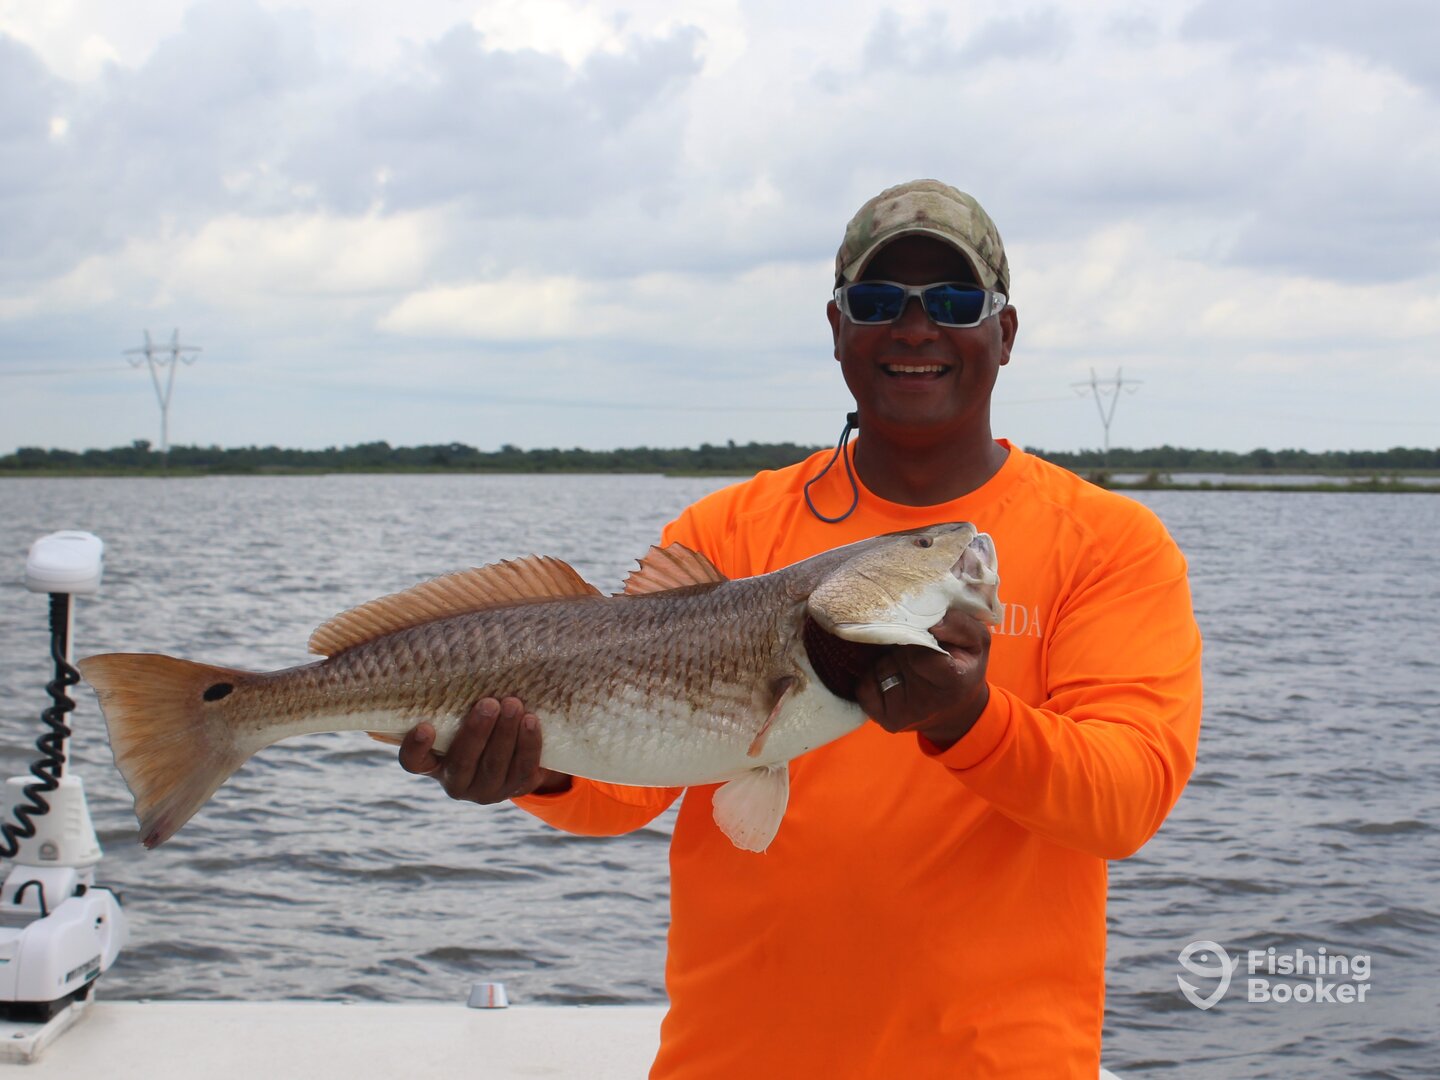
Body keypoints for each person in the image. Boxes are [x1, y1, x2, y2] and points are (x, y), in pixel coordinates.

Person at [399, 179, 1203, 1078]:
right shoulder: (725, 532)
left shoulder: (1109, 542)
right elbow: (630, 786)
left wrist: (970, 721)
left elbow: (1127, 802)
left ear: (1004, 333)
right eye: (878, 301)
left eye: (953, 302)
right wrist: (538, 770)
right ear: (837, 328)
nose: (914, 329)